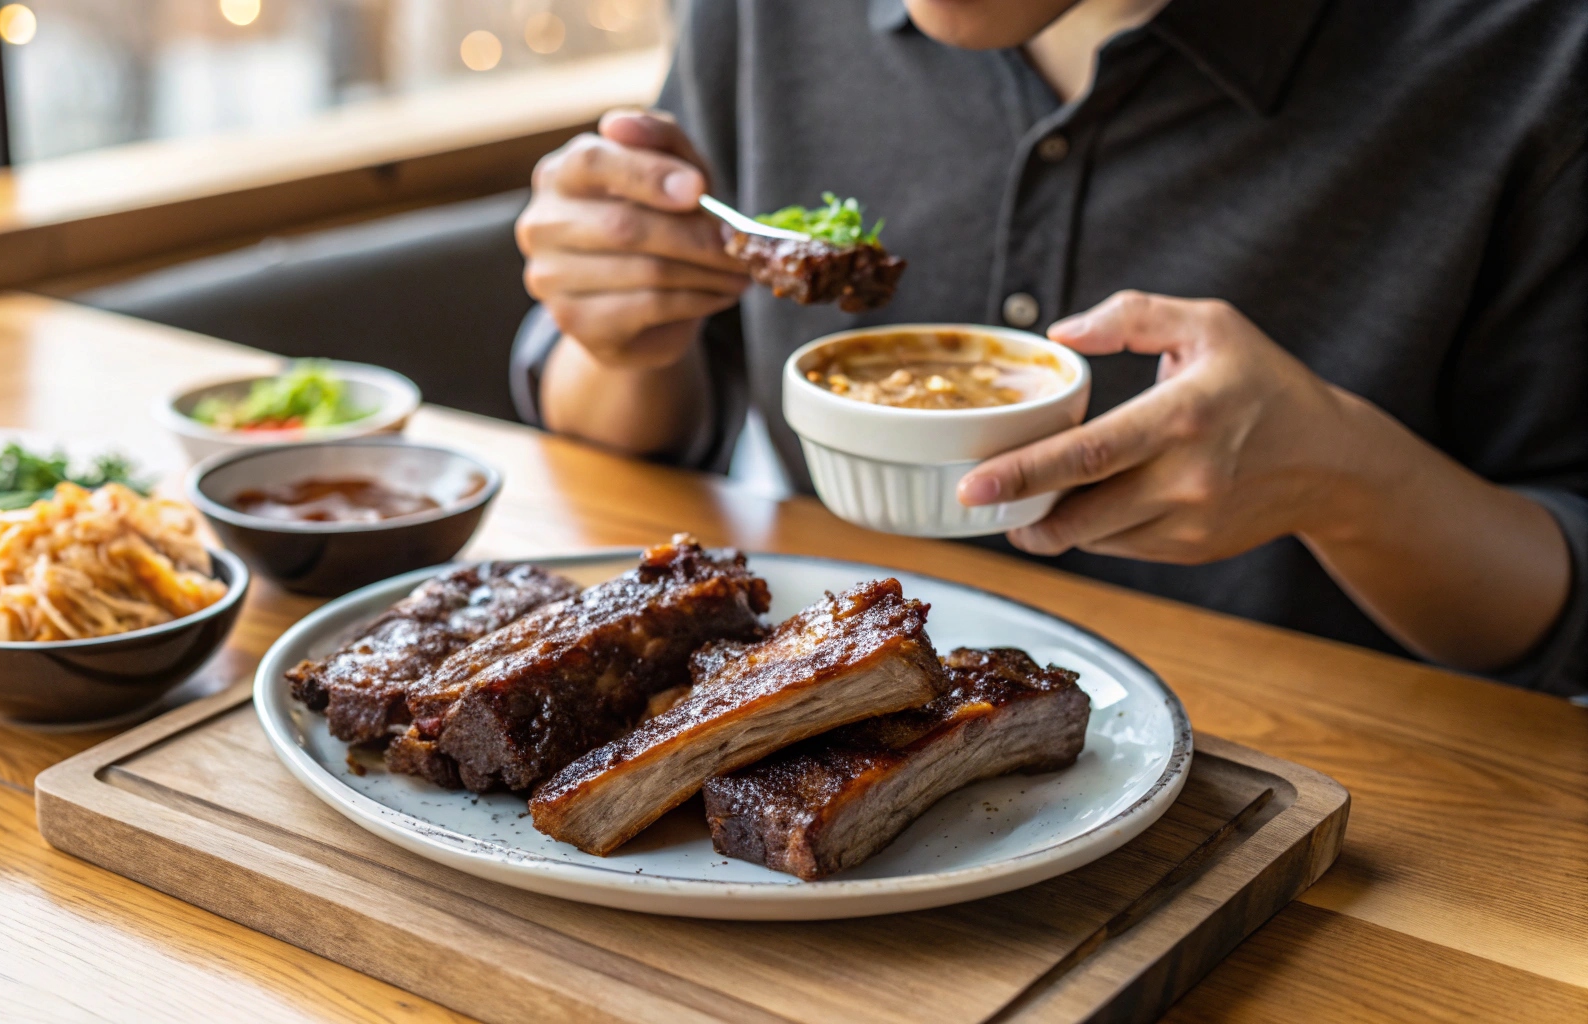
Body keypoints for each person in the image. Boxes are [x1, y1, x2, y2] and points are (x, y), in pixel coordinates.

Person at [510, 0, 1588, 697]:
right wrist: (617, 328)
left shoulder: (1530, 56)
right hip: (812, 720)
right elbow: (625, 430)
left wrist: (1347, 480)